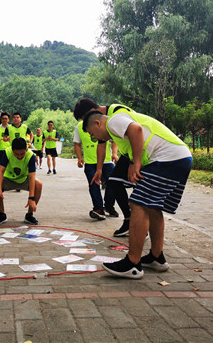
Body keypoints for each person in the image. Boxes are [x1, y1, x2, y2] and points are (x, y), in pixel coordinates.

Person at [82, 108, 192, 279]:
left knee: (138, 203)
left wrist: (136, 161)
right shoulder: (117, 132)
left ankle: (132, 263)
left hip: (168, 158)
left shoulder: (113, 121)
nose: (96, 138)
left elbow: (137, 130)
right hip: (179, 157)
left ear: (98, 123)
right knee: (152, 207)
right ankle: (157, 257)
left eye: (93, 134)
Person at [73, 98, 133, 236]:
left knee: (137, 193)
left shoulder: (117, 114)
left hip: (140, 153)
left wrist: (135, 162)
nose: (85, 124)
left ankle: (138, 224)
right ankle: (129, 220)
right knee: (114, 182)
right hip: (127, 154)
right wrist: (99, 169)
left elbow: (136, 131)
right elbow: (101, 144)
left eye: (85, 119)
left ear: (92, 112)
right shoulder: (102, 123)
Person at [0, 137, 42, 225]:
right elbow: (1, 171)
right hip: (9, 180)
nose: (20, 156)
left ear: (26, 149)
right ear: (12, 150)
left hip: (24, 180)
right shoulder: (7, 152)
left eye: (22, 153)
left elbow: (32, 177)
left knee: (38, 184)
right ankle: (2, 215)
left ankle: (29, 215)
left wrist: (31, 198)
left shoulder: (31, 156)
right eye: (17, 154)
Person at [73, 121, 119, 220]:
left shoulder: (102, 124)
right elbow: (77, 144)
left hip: (107, 161)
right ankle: (98, 209)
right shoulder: (79, 127)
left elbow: (114, 140)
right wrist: (79, 158)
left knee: (113, 182)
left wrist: (114, 153)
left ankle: (109, 206)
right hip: (90, 163)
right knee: (94, 184)